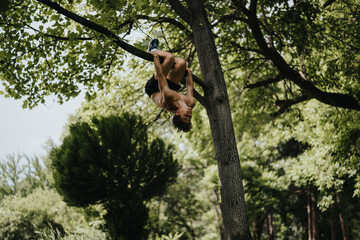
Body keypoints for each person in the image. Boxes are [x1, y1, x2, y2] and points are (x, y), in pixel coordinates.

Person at [145, 39, 195, 132]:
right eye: (189, 117)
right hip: (169, 88)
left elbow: (160, 76)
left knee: (170, 57)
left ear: (178, 112)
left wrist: (156, 57)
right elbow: (189, 87)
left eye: (185, 116)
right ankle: (165, 58)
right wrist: (189, 73)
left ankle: (153, 50)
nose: (189, 114)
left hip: (154, 89)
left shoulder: (169, 99)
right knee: (182, 63)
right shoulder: (191, 103)